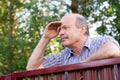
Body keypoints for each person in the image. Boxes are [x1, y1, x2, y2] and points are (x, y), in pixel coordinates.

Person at [26, 13, 120, 70]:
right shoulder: (63, 56)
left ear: (82, 29)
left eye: (65, 28)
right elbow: (32, 68)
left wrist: (83, 64)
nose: (60, 33)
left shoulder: (101, 42)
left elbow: (113, 50)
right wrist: (45, 38)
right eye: (59, 29)